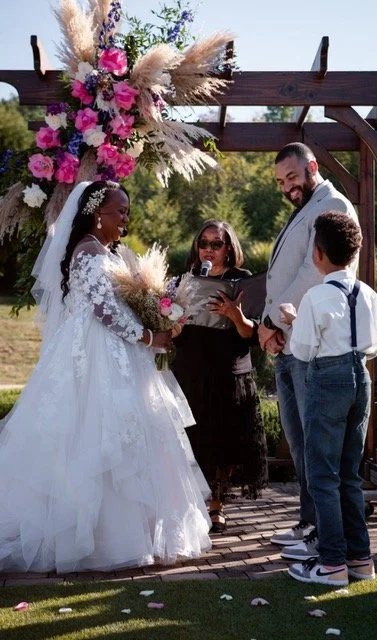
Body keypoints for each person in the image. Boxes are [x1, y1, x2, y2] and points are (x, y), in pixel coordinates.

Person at [0, 180, 212, 573]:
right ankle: (95, 538)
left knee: (126, 437)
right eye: (121, 212)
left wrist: (155, 313)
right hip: (95, 355)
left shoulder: (100, 251)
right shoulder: (89, 255)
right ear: (98, 214)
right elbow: (104, 312)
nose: (125, 219)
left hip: (112, 351)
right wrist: (150, 335)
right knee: (94, 435)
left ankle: (129, 533)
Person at [258, 142, 359, 554]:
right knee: (298, 441)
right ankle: (308, 522)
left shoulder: (330, 204)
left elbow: (310, 275)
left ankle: (322, 533)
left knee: (313, 445)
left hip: (307, 342)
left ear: (312, 166)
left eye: (292, 177)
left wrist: (269, 323)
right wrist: (272, 330)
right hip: (287, 340)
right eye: (281, 181)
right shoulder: (307, 205)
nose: (286, 187)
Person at [284, 211, 377, 585]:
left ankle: (331, 564)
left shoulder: (316, 296)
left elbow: (304, 350)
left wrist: (293, 320)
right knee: (348, 475)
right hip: (361, 376)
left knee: (322, 476)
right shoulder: (370, 295)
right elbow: (371, 347)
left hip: (328, 379)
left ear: (318, 253)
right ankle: (360, 560)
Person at [172, 220, 268, 533]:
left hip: (228, 371)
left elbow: (251, 334)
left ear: (229, 248)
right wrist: (172, 322)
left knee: (222, 443)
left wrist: (234, 315)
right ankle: (190, 506)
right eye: (204, 243)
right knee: (191, 441)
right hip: (190, 371)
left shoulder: (242, 281)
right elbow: (175, 334)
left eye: (217, 243)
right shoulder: (183, 280)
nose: (209, 249)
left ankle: (216, 506)